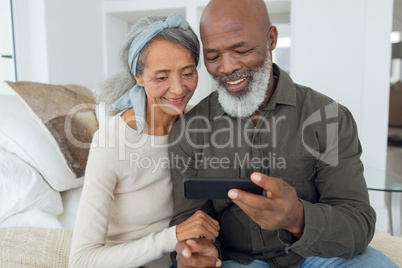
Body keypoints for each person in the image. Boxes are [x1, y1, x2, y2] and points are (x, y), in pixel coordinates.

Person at [168, 1, 398, 267]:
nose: (227, 67)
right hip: (233, 260)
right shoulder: (189, 129)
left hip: (314, 255)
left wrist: (298, 219)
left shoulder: (330, 118)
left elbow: (358, 223)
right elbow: (188, 223)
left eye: (241, 50)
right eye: (213, 57)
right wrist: (198, 251)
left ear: (271, 39)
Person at [69, 14, 220, 268]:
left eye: (187, 73)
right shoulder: (111, 142)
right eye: (161, 78)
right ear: (138, 77)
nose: (178, 89)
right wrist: (172, 237)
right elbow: (81, 261)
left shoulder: (199, 125)